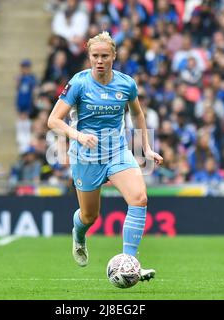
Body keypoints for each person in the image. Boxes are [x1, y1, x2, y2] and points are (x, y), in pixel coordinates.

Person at [47, 31, 163, 282]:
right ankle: (78, 235)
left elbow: (137, 115)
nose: (99, 61)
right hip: (86, 156)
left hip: (117, 153)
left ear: (114, 57)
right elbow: (53, 120)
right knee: (90, 216)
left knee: (139, 199)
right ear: (89, 57)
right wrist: (78, 136)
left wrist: (146, 148)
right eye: (94, 56)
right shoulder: (78, 83)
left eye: (104, 56)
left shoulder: (126, 84)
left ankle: (129, 263)